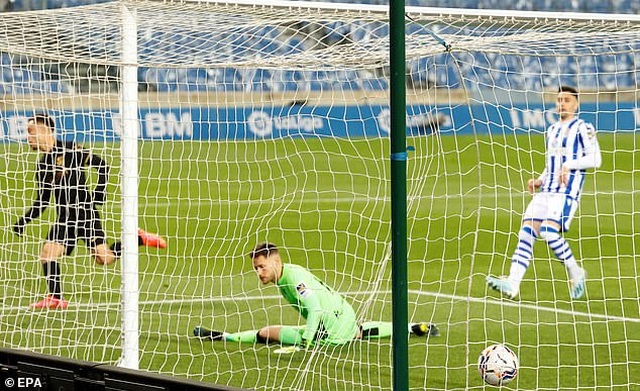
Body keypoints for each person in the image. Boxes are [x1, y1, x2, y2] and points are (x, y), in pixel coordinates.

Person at [13, 113, 168, 310]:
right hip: (66, 217)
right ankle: (138, 239)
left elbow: (102, 165)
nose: (28, 137)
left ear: (45, 130)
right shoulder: (42, 165)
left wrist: (100, 191)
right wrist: (24, 221)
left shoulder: (71, 148)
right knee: (101, 258)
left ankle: (56, 298)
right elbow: (42, 202)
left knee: (87, 257)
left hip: (85, 213)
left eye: (31, 132)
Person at [193, 242, 439, 348]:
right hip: (345, 317)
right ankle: (411, 327)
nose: (258, 272)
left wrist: (307, 340)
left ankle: (224, 337)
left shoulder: (294, 279)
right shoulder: (290, 273)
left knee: (267, 333)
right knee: (359, 332)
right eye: (256, 268)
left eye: (262, 266)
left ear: (276, 261)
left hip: (327, 331)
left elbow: (314, 308)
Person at [486, 86, 602, 300]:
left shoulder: (583, 127)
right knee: (525, 233)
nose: (562, 104)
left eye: (566, 100)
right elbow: (551, 165)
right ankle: (512, 284)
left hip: (566, 193)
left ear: (576, 104)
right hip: (546, 191)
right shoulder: (552, 130)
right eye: (559, 100)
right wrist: (539, 179)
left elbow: (595, 159)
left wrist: (569, 165)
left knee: (548, 231)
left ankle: (575, 271)